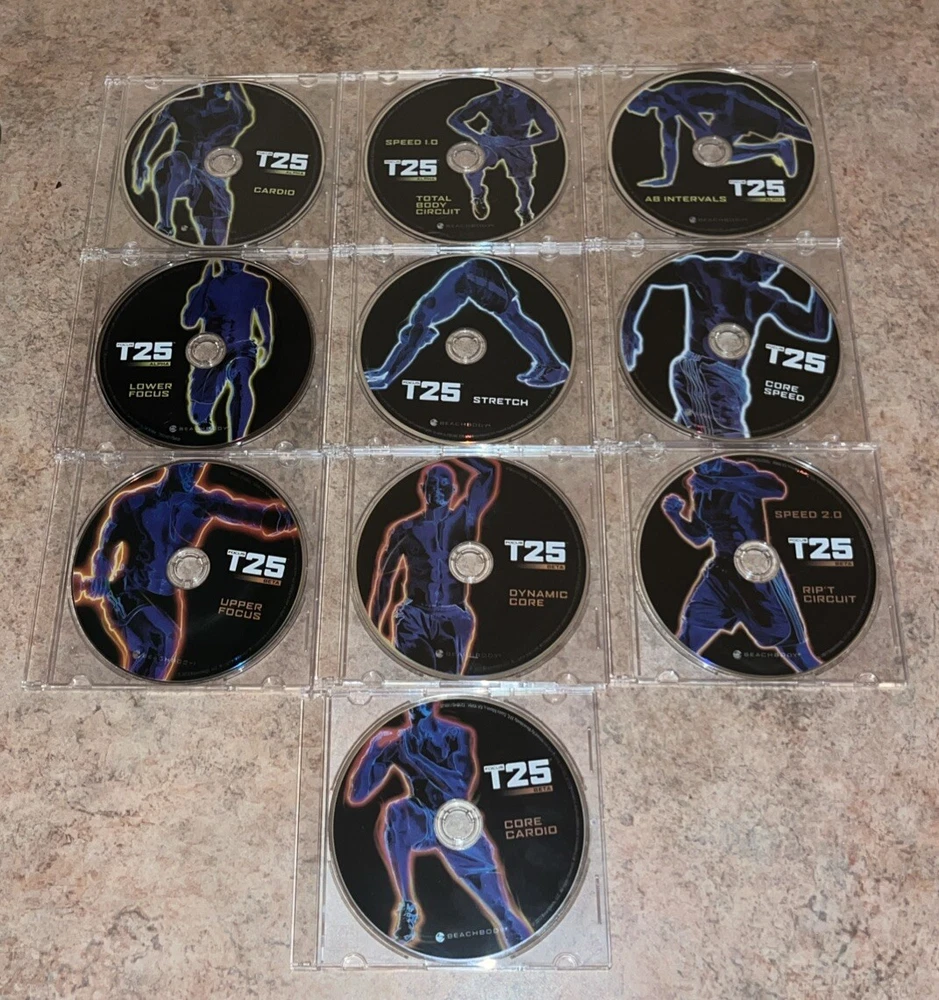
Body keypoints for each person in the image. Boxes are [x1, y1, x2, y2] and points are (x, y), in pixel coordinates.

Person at [73, 463, 295, 680]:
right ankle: (136, 693)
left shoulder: (203, 503)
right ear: (173, 464)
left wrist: (285, 518)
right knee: (163, 639)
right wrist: (101, 576)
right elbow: (106, 548)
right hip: (130, 590)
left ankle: (135, 694)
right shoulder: (135, 502)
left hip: (167, 599)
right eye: (189, 466)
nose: (194, 472)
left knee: (156, 659)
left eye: (199, 467)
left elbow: (249, 513)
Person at [346, 702, 531, 948]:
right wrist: (372, 750)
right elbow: (358, 795)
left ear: (434, 703)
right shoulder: (398, 743)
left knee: (504, 914)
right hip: (421, 820)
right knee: (396, 812)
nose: (417, 707)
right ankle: (407, 905)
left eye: (423, 701)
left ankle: (525, 948)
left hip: (456, 823)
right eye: (413, 702)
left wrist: (415, 758)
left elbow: (458, 788)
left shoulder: (456, 734)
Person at [623, 251, 832, 437]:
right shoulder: (705, 271)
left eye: (777, 265)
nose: (773, 269)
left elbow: (817, 330)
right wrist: (627, 328)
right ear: (754, 252)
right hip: (708, 372)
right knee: (728, 441)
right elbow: (647, 278)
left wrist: (819, 281)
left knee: (696, 436)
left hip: (728, 380)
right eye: (770, 262)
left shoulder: (765, 296)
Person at [661, 455, 820, 672]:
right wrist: (676, 515)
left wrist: (718, 482)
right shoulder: (699, 486)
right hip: (721, 574)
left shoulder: (739, 471)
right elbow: (699, 536)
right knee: (691, 633)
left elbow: (776, 489)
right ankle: (670, 675)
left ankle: (821, 680)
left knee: (790, 645)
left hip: (755, 570)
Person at [367, 458, 498, 674]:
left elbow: (488, 472)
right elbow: (385, 580)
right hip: (414, 615)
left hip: (453, 615)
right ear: (423, 488)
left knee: (445, 681)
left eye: (444, 483)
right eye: (432, 483)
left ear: (453, 490)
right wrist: (372, 629)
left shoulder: (464, 518)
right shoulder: (405, 529)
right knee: (412, 675)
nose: (437, 488)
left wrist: (451, 448)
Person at [364, 258, 569, 391]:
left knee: (513, 319)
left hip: (475, 276)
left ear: (414, 333)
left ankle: (554, 367)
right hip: (473, 279)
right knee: (512, 320)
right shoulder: (424, 319)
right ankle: (544, 364)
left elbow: (408, 349)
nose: (426, 343)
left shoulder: (422, 318)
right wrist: (381, 370)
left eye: (421, 341)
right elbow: (405, 346)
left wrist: (387, 380)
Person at [626, 77, 811, 187]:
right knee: (720, 154)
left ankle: (817, 142)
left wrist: (703, 135)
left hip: (738, 99)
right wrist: (667, 177)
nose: (634, 109)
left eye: (635, 105)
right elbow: (669, 143)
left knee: (790, 127)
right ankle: (778, 147)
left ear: (644, 95)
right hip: (725, 114)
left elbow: (696, 123)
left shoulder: (670, 93)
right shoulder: (664, 111)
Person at [131, 82, 254, 244]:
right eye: (211, 84)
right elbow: (155, 131)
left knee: (214, 245)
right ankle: (165, 225)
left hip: (212, 182)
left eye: (221, 85)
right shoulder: (180, 106)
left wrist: (234, 83)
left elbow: (245, 112)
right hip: (180, 176)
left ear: (228, 89)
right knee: (176, 160)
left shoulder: (233, 113)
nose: (214, 87)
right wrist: (141, 161)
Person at [181, 259, 273, 441]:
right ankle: (203, 416)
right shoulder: (206, 288)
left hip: (241, 347)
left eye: (238, 259)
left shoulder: (255, 283)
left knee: (241, 378)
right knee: (198, 415)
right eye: (230, 259)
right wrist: (205, 283)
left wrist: (267, 340)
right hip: (211, 351)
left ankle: (237, 440)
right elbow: (189, 321)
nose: (236, 263)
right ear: (221, 260)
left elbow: (262, 309)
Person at [446, 83, 559, 223]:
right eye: (506, 85)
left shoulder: (531, 103)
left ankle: (524, 210)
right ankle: (478, 195)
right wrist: (479, 137)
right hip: (492, 141)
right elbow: (454, 120)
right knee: (472, 168)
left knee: (523, 184)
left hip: (518, 145)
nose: (510, 88)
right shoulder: (487, 100)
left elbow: (551, 133)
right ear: (498, 83)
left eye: (513, 85)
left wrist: (519, 143)